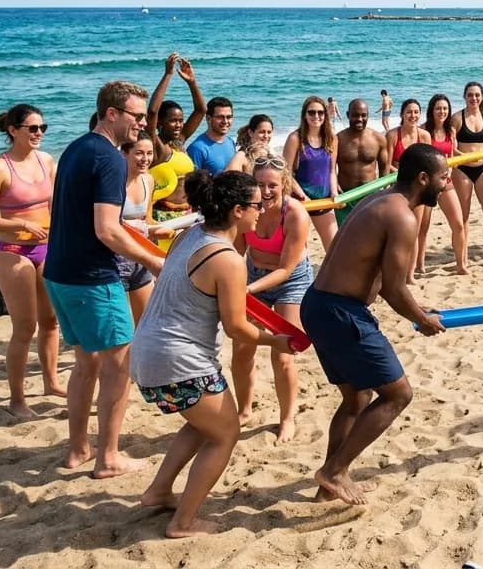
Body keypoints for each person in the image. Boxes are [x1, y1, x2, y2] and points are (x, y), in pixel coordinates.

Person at [130, 169, 294, 538]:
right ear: (237, 210)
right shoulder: (227, 259)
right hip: (177, 360)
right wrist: (275, 341)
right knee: (226, 432)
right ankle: (183, 523)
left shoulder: (191, 234)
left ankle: (158, 491)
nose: (261, 210)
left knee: (203, 423)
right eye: (256, 205)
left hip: (149, 351)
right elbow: (236, 328)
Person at [300, 143, 448, 505]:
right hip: (340, 312)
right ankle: (334, 471)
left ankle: (329, 483)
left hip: (318, 303)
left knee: (357, 397)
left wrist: (417, 307)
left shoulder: (380, 199)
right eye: (443, 177)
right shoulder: (402, 216)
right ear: (423, 177)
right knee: (398, 394)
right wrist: (421, 319)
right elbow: (396, 289)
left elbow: (377, 275)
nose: (447, 184)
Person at [44, 81, 164, 478]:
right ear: (111, 114)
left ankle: (78, 448)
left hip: (59, 273)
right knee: (119, 365)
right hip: (93, 278)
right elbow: (107, 230)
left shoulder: (76, 148)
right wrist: (154, 261)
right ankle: (108, 457)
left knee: (86, 364)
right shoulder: (111, 159)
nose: (142, 124)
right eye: (137, 117)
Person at [0, 104, 64, 418]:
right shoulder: (0, 168)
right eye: (32, 128)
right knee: (24, 327)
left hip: (48, 247)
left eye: (42, 128)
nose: (39, 133)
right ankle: (17, 400)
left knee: (51, 321)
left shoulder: (47, 160)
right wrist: (21, 225)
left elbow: (58, 203)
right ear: (13, 130)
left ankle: (51, 383)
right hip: (13, 252)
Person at [232, 156, 312, 443]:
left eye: (272, 186)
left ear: (285, 185)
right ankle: (243, 410)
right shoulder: (245, 210)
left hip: (291, 280)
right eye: (259, 184)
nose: (265, 192)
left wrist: (247, 291)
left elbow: (285, 269)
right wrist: (235, 284)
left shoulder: (295, 215)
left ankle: (287, 418)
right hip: (254, 274)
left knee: (283, 353)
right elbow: (235, 253)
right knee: (241, 348)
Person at [147, 55, 205, 222]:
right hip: (165, 214)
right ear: (160, 123)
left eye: (180, 120)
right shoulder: (157, 146)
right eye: (173, 121)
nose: (179, 124)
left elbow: (201, 110)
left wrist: (192, 82)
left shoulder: (179, 141)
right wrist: (168, 75)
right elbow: (152, 112)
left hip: (188, 212)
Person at [451, 82, 483, 268]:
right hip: (462, 169)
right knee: (463, 217)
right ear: (465, 96)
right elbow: (452, 148)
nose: (474, 98)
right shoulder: (457, 118)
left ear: (482, 96)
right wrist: (465, 157)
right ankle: (462, 260)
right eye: (470, 95)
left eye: (477, 95)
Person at [417, 93, 468, 273]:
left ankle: (461, 265)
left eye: (445, 108)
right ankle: (420, 265)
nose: (442, 111)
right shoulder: (423, 130)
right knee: (423, 227)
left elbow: (451, 156)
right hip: (426, 185)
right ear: (432, 110)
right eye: (438, 108)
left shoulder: (450, 131)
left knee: (458, 223)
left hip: (445, 182)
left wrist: (451, 171)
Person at [283, 96, 339, 251]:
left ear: (325, 115)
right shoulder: (295, 139)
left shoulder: (332, 139)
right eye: (311, 112)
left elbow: (331, 170)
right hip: (299, 200)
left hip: (324, 199)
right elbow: (286, 172)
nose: (316, 116)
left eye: (320, 113)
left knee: (334, 246)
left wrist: (334, 192)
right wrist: (302, 196)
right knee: (300, 248)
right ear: (304, 115)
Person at [117, 136, 161, 323]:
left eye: (149, 153)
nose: (145, 159)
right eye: (139, 153)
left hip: (142, 258)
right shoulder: (114, 182)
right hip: (116, 258)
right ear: (124, 153)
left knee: (145, 322)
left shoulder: (148, 180)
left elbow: (147, 220)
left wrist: (162, 230)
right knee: (120, 326)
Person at [334, 99, 391, 227]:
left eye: (363, 115)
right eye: (355, 115)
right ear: (348, 115)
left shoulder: (379, 139)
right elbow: (330, 169)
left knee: (370, 234)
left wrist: (384, 192)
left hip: (370, 195)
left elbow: (384, 169)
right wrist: (335, 187)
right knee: (345, 235)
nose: (359, 119)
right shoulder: (338, 140)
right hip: (346, 197)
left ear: (368, 115)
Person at [187, 97, 237, 175]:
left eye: (229, 117)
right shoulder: (197, 149)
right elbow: (192, 183)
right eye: (220, 117)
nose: (225, 121)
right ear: (208, 118)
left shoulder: (230, 142)